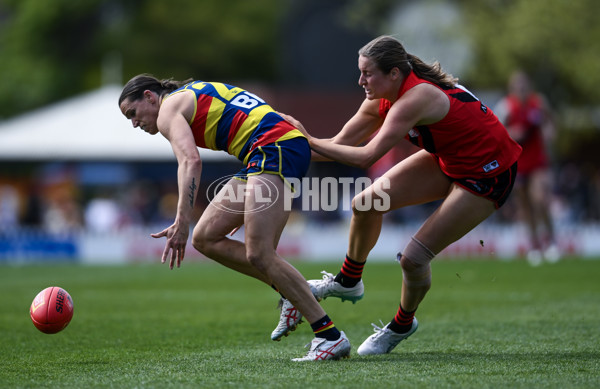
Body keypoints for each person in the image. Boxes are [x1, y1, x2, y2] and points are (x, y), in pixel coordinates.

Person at [279, 35, 522, 356]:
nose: (360, 81)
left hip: (487, 173)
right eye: (360, 72)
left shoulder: (415, 98)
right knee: (365, 203)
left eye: (367, 73)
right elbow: (339, 144)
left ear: (394, 74)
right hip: (449, 158)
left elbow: (365, 157)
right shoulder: (379, 97)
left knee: (413, 259)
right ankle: (349, 281)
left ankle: (402, 324)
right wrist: (287, 140)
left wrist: (305, 138)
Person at [118, 75, 350, 361]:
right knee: (205, 237)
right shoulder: (189, 94)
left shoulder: (168, 110)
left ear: (150, 97)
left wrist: (181, 221)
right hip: (270, 148)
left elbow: (190, 161)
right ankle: (293, 293)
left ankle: (329, 336)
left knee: (259, 253)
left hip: (272, 148)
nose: (134, 123)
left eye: (133, 113)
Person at [494, 70, 560, 265]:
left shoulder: (538, 103)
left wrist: (549, 132)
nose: (521, 88)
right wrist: (513, 132)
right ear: (512, 88)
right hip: (518, 162)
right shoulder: (506, 106)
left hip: (538, 160)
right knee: (525, 206)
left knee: (540, 200)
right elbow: (498, 131)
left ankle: (552, 241)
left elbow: (551, 121)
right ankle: (534, 245)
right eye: (517, 85)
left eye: (523, 84)